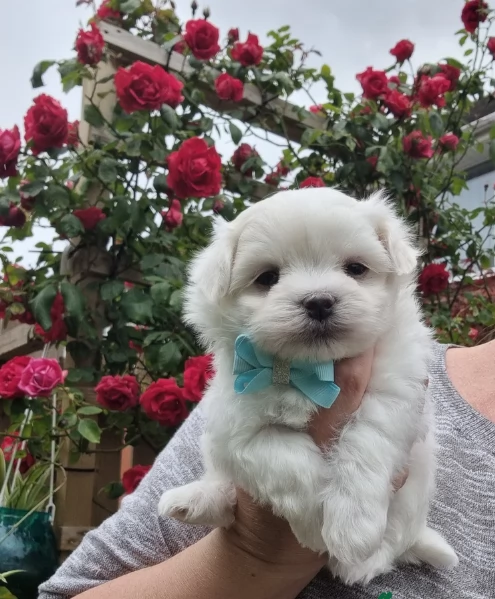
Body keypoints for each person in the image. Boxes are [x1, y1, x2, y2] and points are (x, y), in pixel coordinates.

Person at [38, 340, 495, 599]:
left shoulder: (400, 366)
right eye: (268, 277)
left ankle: (406, 540)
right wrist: (255, 550)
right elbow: (71, 592)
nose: (318, 295)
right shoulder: (290, 362)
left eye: (355, 268)